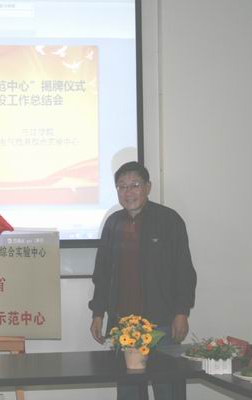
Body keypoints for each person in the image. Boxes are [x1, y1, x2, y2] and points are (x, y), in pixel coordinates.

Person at [88, 161, 197, 400]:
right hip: (123, 326)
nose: (128, 192)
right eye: (122, 186)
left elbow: (184, 271)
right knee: (129, 391)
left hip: (161, 323)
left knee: (168, 388)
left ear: (148, 187)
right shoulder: (113, 223)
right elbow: (102, 273)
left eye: (135, 185)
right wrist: (98, 313)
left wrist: (182, 312)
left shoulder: (168, 220)